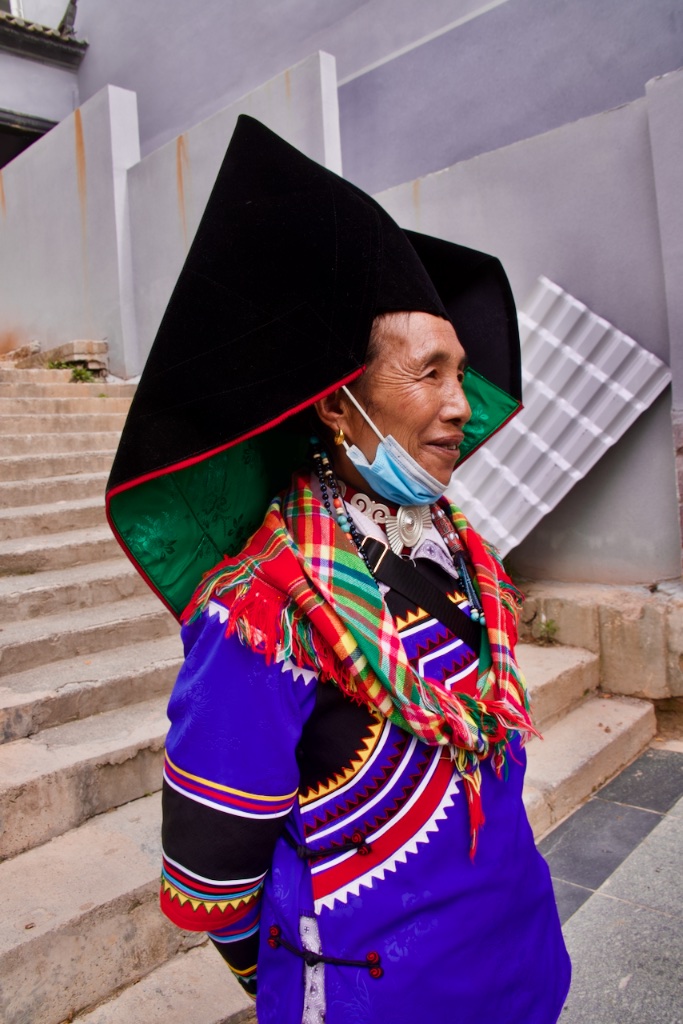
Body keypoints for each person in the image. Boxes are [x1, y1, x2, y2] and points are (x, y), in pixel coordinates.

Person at [106, 115, 571, 1024]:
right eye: (428, 374)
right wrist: (304, 975)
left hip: (522, 970)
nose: (458, 406)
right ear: (336, 404)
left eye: (460, 374)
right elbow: (212, 875)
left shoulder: (461, 557)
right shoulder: (260, 613)